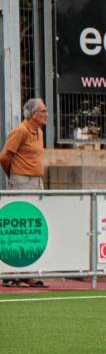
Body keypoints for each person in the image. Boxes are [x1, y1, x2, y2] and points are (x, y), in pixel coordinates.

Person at [0, 98, 48, 288]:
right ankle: (14, 272)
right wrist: (14, 176)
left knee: (32, 227)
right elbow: (4, 156)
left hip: (36, 181)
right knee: (20, 227)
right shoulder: (20, 130)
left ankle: (26, 272)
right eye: (43, 111)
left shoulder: (40, 132)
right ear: (33, 114)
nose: (46, 114)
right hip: (22, 181)